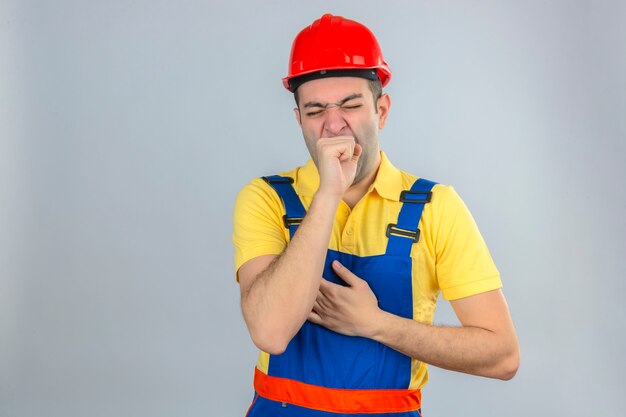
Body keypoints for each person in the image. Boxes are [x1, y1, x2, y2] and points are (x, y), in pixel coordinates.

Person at [232, 13, 519, 417]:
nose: (334, 125)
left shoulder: (436, 207)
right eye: (315, 111)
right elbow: (270, 332)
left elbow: (502, 355)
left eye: (351, 105)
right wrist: (328, 192)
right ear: (299, 120)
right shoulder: (266, 199)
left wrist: (377, 323)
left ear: (381, 110)